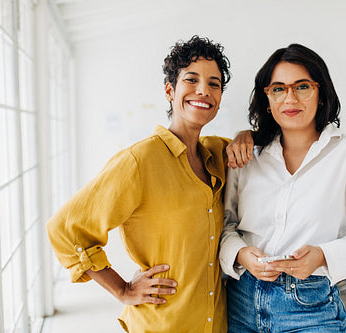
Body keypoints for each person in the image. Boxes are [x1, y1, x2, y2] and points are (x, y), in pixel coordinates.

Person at [47, 35, 252, 333]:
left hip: (216, 324)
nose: (203, 91)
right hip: (161, 324)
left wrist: (247, 133)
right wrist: (122, 290)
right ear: (170, 90)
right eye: (191, 80)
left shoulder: (219, 154)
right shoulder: (139, 160)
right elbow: (65, 228)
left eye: (214, 84)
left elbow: (275, 142)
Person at [219, 43, 346, 332]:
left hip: (310, 307)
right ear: (268, 99)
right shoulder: (247, 156)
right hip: (240, 300)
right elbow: (227, 226)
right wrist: (241, 255)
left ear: (321, 93)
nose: (290, 98)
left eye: (302, 86)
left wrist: (323, 256)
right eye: (278, 89)